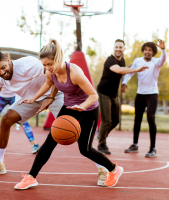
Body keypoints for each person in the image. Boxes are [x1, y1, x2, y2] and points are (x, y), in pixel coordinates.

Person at [14, 39, 124, 190]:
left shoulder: (74, 72)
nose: (47, 68)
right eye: (44, 65)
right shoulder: (50, 72)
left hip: (89, 108)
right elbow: (48, 83)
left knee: (84, 149)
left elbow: (93, 95)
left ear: (58, 59)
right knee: (49, 142)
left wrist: (82, 106)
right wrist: (34, 98)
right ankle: (31, 177)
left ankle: (113, 169)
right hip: (69, 106)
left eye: (49, 64)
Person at [0, 51, 64, 175]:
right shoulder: (0, 79)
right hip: (31, 99)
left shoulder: (28, 64)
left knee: (71, 126)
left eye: (3, 67)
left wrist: (51, 98)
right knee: (6, 119)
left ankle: (99, 166)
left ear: (8, 60)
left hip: (54, 94)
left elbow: (55, 75)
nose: (2, 72)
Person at [96, 39, 148, 154]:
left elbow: (124, 70)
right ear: (114, 48)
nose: (118, 49)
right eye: (116, 47)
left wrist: (125, 81)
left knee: (115, 120)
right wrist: (135, 69)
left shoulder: (122, 60)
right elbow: (119, 70)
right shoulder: (110, 60)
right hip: (104, 93)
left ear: (124, 49)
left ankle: (101, 135)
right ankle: (102, 145)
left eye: (120, 47)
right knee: (106, 121)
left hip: (114, 94)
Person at [122, 39, 166, 158]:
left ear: (153, 52)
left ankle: (153, 148)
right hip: (140, 94)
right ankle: (135, 145)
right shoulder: (137, 61)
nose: (147, 52)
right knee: (137, 119)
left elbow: (163, 60)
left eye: (150, 50)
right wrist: (124, 82)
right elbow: (130, 72)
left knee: (151, 118)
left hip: (152, 94)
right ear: (143, 51)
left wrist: (163, 49)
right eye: (146, 50)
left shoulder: (156, 62)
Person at [0, 69, 40, 154]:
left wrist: (18, 104)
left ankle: (34, 145)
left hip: (14, 96)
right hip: (0, 97)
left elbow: (20, 87)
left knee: (24, 121)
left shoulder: (13, 70)